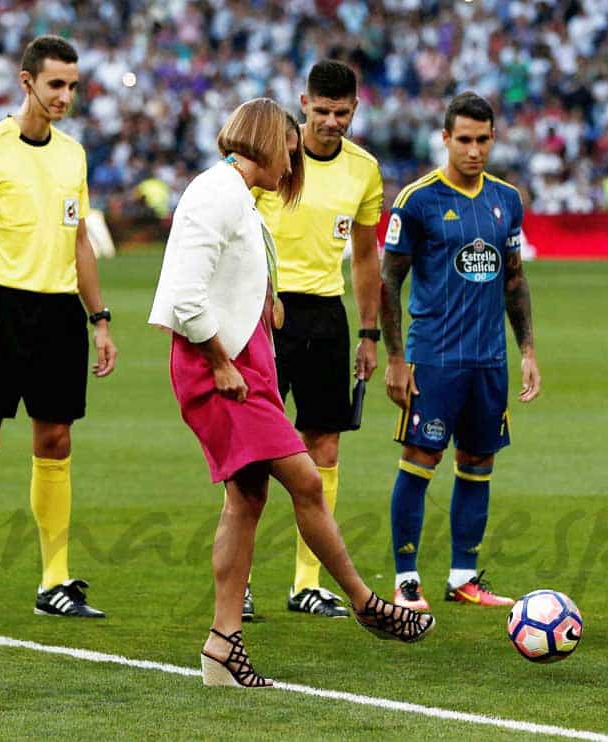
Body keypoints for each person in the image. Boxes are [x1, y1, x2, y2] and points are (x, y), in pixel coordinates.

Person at [148, 98, 434, 688]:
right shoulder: (218, 192)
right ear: (266, 140)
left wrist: (265, 301)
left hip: (243, 362)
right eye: (291, 150)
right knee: (303, 479)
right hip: (223, 370)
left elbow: (224, 277)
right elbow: (183, 293)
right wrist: (221, 362)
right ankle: (364, 603)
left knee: (247, 500)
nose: (293, 162)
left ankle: (222, 647)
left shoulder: (238, 198)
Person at [0, 35, 117, 623]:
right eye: (55, 85)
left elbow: (80, 241)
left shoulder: (73, 155)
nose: (65, 95)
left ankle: (54, 582)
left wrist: (100, 321)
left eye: (72, 85)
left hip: (60, 314)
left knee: (56, 442)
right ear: (26, 82)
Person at [380, 92, 540, 611]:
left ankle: (463, 576)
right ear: (445, 139)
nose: (474, 150)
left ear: (494, 138)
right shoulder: (417, 199)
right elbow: (389, 281)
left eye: (483, 140)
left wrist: (528, 350)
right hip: (434, 357)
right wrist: (396, 359)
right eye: (464, 140)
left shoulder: (506, 200)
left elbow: (514, 279)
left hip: (488, 359)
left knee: (478, 460)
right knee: (420, 458)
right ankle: (406, 578)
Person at [251, 60, 383, 620]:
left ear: (356, 108)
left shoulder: (364, 170)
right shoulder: (275, 157)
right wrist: (255, 303)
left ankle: (308, 583)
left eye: (342, 112)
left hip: (327, 317)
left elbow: (365, 255)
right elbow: (242, 233)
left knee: (323, 445)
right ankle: (244, 580)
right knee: (254, 454)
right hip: (265, 312)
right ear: (303, 103)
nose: (332, 121)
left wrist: (370, 332)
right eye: (322, 111)